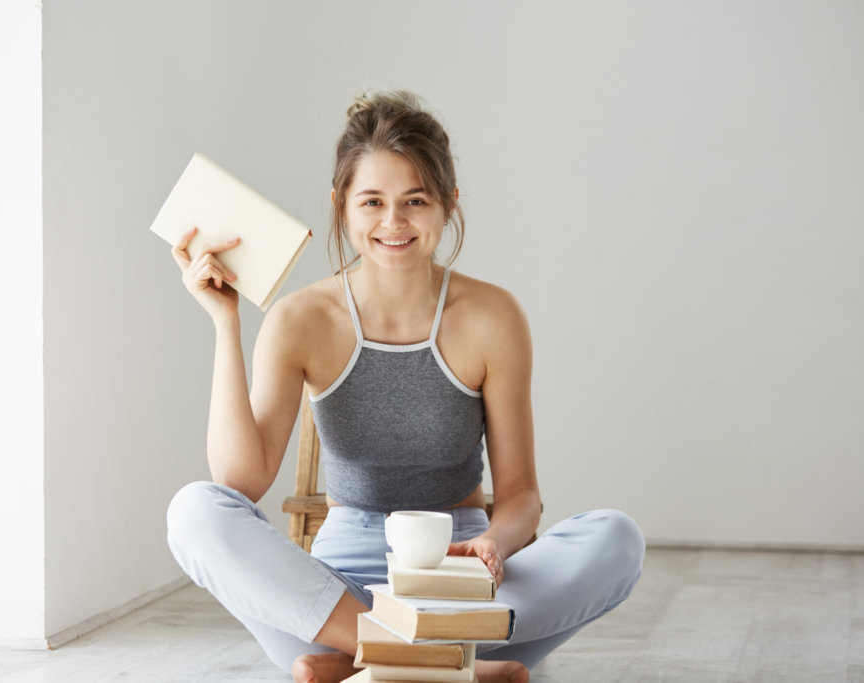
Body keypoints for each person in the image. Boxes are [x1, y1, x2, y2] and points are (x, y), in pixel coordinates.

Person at [165, 90, 645, 683]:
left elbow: (521, 495)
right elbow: (239, 484)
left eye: (415, 201)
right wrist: (225, 322)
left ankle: (369, 665)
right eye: (372, 202)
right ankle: (440, 664)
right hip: (338, 593)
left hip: (459, 576)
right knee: (195, 512)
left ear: (448, 205)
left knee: (616, 538)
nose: (393, 222)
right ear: (342, 206)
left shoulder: (493, 317)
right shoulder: (299, 319)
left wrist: (495, 543)